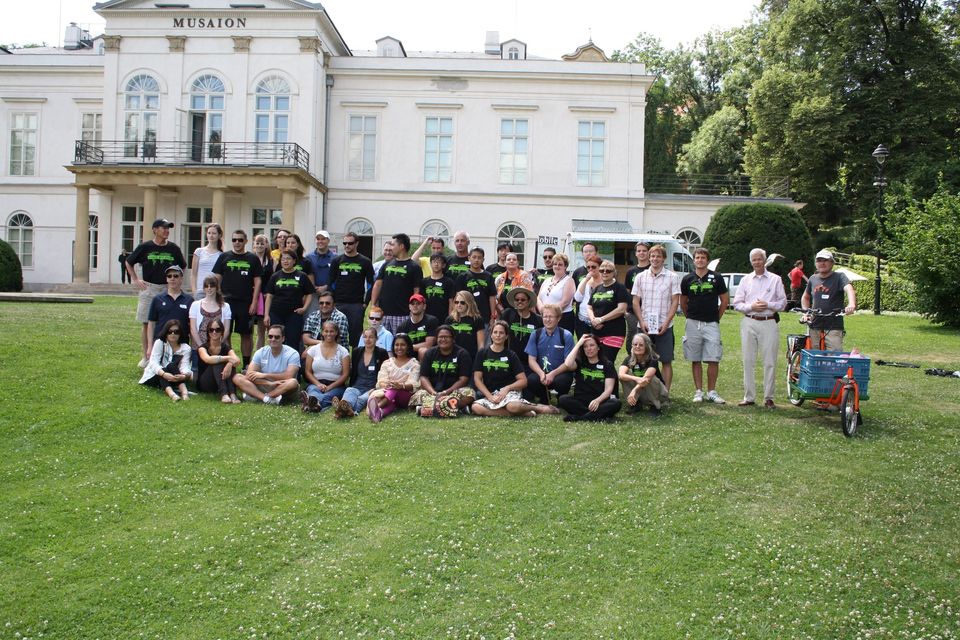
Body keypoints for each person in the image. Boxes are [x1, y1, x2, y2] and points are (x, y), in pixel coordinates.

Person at [126, 218, 187, 367]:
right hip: (149, 288)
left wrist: (176, 281)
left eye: (168, 228)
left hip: (166, 288)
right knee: (146, 323)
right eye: (163, 228)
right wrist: (136, 279)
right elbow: (129, 261)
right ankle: (146, 356)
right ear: (155, 230)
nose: (166, 231)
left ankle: (167, 356)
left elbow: (183, 265)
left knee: (167, 323)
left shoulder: (173, 248)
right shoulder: (145, 247)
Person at [732, 247, 787, 408]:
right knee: (748, 360)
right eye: (754, 260)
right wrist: (751, 307)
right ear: (751, 262)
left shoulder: (775, 279)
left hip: (769, 321)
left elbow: (783, 303)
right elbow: (737, 304)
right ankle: (749, 397)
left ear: (765, 260)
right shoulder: (745, 280)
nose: (757, 262)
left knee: (769, 360)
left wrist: (768, 304)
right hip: (749, 321)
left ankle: (769, 397)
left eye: (759, 259)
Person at [471, 320, 560, 418]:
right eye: (495, 332)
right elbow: (477, 379)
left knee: (512, 406)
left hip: (510, 394)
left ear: (506, 336)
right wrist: (490, 397)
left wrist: (507, 388)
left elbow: (523, 381)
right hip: (491, 394)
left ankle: (538, 408)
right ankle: (523, 413)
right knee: (475, 407)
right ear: (491, 335)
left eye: (501, 333)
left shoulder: (511, 355)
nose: (498, 335)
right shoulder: (482, 353)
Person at [680, 247, 729, 404]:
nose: (700, 260)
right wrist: (690, 317)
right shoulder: (687, 279)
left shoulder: (717, 278)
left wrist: (716, 318)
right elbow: (683, 302)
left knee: (713, 358)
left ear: (707, 260)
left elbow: (725, 301)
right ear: (693, 260)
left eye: (703, 257)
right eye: (697, 257)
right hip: (692, 323)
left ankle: (712, 392)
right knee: (695, 358)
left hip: (711, 323)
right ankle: (698, 391)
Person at [632, 244, 681, 391]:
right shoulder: (640, 277)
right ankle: (641, 391)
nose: (655, 259)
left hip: (664, 326)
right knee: (640, 359)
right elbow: (635, 301)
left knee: (666, 360)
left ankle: (665, 393)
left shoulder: (672, 277)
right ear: (649, 258)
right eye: (652, 256)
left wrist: (666, 323)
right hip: (644, 326)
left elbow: (675, 301)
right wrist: (641, 321)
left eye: (658, 256)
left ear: (664, 258)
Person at [212, 230, 262, 367]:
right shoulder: (224, 256)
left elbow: (258, 281)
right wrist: (218, 297)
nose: (237, 242)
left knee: (246, 334)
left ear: (246, 241)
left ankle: (246, 364)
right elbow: (217, 277)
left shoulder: (253, 258)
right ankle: (229, 362)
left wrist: (254, 302)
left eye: (240, 240)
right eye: (234, 240)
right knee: (225, 333)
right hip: (226, 302)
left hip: (245, 302)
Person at [555, 333, 621, 422]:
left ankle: (580, 418)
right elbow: (567, 364)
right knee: (563, 399)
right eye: (585, 346)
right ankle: (596, 417)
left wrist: (597, 401)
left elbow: (608, 390)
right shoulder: (580, 362)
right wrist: (578, 344)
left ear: (598, 347)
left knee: (616, 403)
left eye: (592, 345)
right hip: (581, 402)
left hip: (599, 403)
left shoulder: (607, 364)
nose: (589, 349)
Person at [411, 325, 475, 417]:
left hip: (453, 392)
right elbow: (424, 377)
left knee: (469, 393)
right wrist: (433, 393)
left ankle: (428, 409)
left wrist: (446, 392)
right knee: (418, 394)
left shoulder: (462, 354)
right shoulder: (430, 353)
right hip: (432, 393)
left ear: (453, 339)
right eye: (440, 337)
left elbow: (463, 379)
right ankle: (455, 408)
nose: (443, 339)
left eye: (447, 337)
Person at [801, 249, 857, 351]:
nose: (822, 263)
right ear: (815, 263)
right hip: (814, 323)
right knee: (814, 354)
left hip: (833, 324)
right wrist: (806, 312)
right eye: (819, 260)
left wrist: (851, 304)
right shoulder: (813, 278)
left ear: (832, 263)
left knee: (834, 354)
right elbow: (805, 297)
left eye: (825, 260)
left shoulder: (839, 277)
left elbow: (849, 289)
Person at [232, 324, 301, 404]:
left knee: (293, 382)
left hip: (282, 386)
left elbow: (288, 376)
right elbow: (249, 375)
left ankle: (259, 396)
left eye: (277, 337)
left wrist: (265, 375)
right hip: (264, 384)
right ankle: (267, 399)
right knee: (237, 377)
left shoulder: (292, 353)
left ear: (283, 339)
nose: (273, 339)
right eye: (270, 336)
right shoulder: (261, 352)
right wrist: (269, 383)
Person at [332, 327, 390, 419]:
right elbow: (353, 371)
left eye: (371, 337)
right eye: (365, 337)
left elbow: (385, 372)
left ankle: (346, 410)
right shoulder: (357, 352)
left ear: (376, 338)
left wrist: (377, 388)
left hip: (372, 388)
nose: (368, 339)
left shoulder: (381, 353)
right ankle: (345, 407)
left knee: (362, 399)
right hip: (357, 386)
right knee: (349, 392)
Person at [369, 233, 421, 334]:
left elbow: (416, 291)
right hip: (383, 314)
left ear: (401, 246)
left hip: (403, 314)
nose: (391, 248)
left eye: (393, 245)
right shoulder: (386, 264)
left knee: (400, 342)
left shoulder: (414, 267)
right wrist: (373, 304)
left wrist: (414, 310)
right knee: (381, 341)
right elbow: (378, 284)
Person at [329, 231, 375, 345]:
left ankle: (355, 356)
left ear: (356, 243)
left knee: (356, 338)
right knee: (336, 335)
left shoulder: (365, 261)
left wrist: (365, 303)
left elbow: (371, 284)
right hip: (339, 303)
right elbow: (331, 283)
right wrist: (333, 301)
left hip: (356, 305)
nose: (347, 245)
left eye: (350, 243)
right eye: (344, 243)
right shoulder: (336, 261)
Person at [524, 303, 575, 405]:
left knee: (563, 381)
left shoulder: (566, 335)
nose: (547, 319)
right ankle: (544, 398)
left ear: (558, 318)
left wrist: (553, 374)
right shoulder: (535, 334)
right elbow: (531, 360)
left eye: (551, 317)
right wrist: (541, 373)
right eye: (545, 316)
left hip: (559, 373)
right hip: (542, 373)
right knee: (531, 380)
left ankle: (561, 398)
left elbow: (568, 363)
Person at [263, 250, 313, 352]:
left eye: (288, 258)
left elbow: (309, 293)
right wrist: (266, 315)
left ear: (294, 261)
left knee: (293, 340)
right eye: (283, 259)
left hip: (294, 314)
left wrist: (304, 308)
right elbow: (269, 296)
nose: (285, 261)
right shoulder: (275, 276)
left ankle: (293, 361)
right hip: (276, 313)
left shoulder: (302, 276)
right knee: (276, 340)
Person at [366, 333, 420, 422]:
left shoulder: (414, 364)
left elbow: (414, 384)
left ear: (408, 347)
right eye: (396, 345)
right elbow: (381, 381)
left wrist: (400, 386)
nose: (399, 347)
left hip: (405, 396)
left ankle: (377, 406)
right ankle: (379, 413)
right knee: (391, 400)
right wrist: (387, 385)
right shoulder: (387, 363)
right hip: (389, 395)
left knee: (394, 388)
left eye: (403, 345)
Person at [586, 259, 630, 362]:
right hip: (596, 332)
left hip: (614, 332)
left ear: (614, 273)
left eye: (608, 271)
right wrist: (593, 319)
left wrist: (601, 319)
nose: (604, 273)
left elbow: (621, 309)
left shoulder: (620, 288)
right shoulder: (597, 288)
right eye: (602, 270)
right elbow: (589, 307)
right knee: (597, 361)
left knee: (607, 361)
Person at [301, 321, 351, 412]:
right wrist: (318, 384)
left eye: (331, 331)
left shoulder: (343, 351)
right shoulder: (313, 350)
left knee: (329, 395)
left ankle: (312, 403)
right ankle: (314, 403)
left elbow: (345, 374)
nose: (329, 334)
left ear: (336, 333)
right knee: (313, 391)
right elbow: (308, 371)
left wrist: (330, 387)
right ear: (322, 332)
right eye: (326, 331)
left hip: (336, 385)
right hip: (316, 383)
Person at [139, 319, 192, 402]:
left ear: (180, 333)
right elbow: (153, 363)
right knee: (163, 369)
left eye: (176, 332)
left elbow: (185, 366)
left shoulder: (186, 348)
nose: (173, 334)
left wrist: (184, 376)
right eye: (170, 331)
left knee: (171, 365)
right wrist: (164, 374)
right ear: (166, 333)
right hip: (154, 376)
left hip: (173, 376)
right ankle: (172, 394)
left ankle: (184, 393)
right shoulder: (160, 343)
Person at [618, 333, 669, 417]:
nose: (637, 347)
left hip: (659, 393)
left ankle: (655, 406)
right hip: (643, 391)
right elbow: (621, 375)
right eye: (635, 344)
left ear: (647, 346)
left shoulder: (653, 359)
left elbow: (646, 379)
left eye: (641, 345)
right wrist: (636, 379)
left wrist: (634, 391)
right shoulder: (629, 358)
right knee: (625, 375)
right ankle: (635, 404)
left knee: (651, 378)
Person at [147, 265, 192, 351]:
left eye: (176, 276)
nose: (172, 278)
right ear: (166, 279)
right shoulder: (157, 299)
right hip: (161, 344)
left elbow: (192, 326)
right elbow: (151, 323)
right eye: (169, 276)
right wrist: (150, 346)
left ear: (181, 279)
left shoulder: (189, 300)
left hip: (181, 344)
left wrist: (193, 347)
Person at [196, 319, 242, 404]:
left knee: (230, 364)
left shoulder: (225, 347)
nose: (214, 332)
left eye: (217, 330)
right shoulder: (202, 348)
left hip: (220, 381)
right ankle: (224, 394)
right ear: (208, 332)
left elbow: (237, 361)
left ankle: (232, 394)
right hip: (206, 383)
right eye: (211, 330)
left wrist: (229, 364)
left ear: (222, 332)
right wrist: (228, 358)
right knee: (217, 362)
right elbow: (208, 359)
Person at [456, 246, 497, 327]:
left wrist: (492, 317)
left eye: (479, 257)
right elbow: (457, 297)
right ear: (469, 258)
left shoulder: (488, 276)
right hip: (466, 316)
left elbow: (492, 297)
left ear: (483, 260)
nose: (476, 260)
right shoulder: (462, 276)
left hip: (484, 317)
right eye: (474, 257)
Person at [189, 275, 233, 349]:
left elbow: (227, 330)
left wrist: (217, 346)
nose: (209, 288)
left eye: (212, 286)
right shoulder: (195, 305)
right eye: (206, 286)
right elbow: (193, 329)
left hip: (219, 347)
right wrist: (201, 347)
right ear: (204, 288)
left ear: (217, 288)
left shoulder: (225, 306)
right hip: (199, 346)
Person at [537, 252, 576, 334]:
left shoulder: (569, 280)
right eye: (555, 264)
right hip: (545, 318)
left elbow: (565, 302)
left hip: (562, 318)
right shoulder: (547, 280)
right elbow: (539, 298)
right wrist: (543, 311)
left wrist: (551, 314)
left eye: (560, 264)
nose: (557, 266)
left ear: (565, 266)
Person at [501, 286, 542, 362]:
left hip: (529, 361)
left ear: (528, 301)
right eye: (517, 299)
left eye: (523, 300)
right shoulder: (508, 314)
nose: (519, 301)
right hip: (510, 359)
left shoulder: (538, 320)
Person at [623, 242, 650, 354]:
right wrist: (626, 310)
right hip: (633, 311)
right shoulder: (631, 271)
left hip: (649, 310)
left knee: (647, 337)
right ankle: (631, 359)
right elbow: (627, 291)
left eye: (644, 250)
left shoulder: (653, 269)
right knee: (633, 336)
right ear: (636, 253)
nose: (641, 253)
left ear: (648, 252)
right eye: (639, 251)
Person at [397, 293, 439, 359]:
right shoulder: (402, 326)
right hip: (409, 356)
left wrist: (408, 347)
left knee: (422, 351)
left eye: (418, 303)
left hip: (428, 356)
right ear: (409, 307)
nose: (415, 306)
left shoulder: (431, 321)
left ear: (424, 306)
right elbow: (399, 345)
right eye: (412, 304)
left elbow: (428, 345)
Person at [446, 290, 486, 360]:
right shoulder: (450, 319)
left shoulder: (477, 319)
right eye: (456, 302)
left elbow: (481, 345)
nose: (459, 305)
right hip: (452, 356)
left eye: (462, 302)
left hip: (471, 356)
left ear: (469, 303)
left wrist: (479, 360)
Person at [251, 233, 274, 350]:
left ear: (266, 245)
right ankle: (256, 355)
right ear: (254, 245)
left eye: (262, 243)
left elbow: (273, 278)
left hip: (266, 297)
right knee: (255, 330)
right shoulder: (250, 259)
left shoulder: (271, 261)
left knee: (266, 327)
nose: (260, 246)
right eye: (257, 243)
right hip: (252, 296)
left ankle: (268, 353)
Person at [190, 222, 223, 299]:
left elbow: (221, 276)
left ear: (219, 235)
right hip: (200, 291)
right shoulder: (199, 251)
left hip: (214, 291)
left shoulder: (221, 255)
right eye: (209, 233)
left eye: (214, 233)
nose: (211, 235)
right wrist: (194, 291)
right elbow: (193, 274)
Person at [421, 252, 456, 322]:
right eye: (434, 262)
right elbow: (422, 300)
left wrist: (450, 318)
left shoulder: (449, 282)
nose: (436, 264)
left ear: (443, 265)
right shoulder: (424, 282)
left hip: (443, 317)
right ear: (430, 264)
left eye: (439, 262)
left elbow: (451, 301)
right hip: (427, 318)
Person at [574, 255, 603, 338]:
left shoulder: (605, 281)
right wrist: (586, 280)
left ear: (600, 267)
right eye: (588, 267)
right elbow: (577, 298)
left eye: (593, 267)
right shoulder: (585, 280)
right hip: (584, 319)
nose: (590, 269)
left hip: (600, 320)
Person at [307, 229, 334, 299]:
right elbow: (307, 275)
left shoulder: (335, 258)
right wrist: (314, 288)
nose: (320, 241)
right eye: (318, 239)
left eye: (323, 239)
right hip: (313, 293)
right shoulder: (309, 257)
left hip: (330, 293)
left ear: (328, 241)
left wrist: (326, 287)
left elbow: (337, 277)